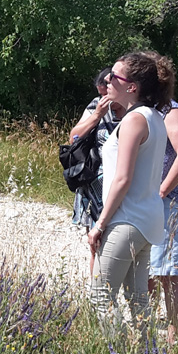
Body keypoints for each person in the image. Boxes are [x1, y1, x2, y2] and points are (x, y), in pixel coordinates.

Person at [87, 52, 174, 334]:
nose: (107, 80)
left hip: (127, 220)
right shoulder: (155, 117)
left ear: (132, 86)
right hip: (147, 221)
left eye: (115, 76)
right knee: (138, 303)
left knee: (101, 297)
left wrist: (100, 224)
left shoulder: (135, 120)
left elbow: (122, 178)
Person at [69, 67, 126, 275]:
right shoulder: (96, 105)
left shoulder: (134, 110)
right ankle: (97, 295)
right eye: (101, 93)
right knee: (96, 246)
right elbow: (73, 138)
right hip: (96, 185)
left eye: (107, 92)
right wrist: (97, 115)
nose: (104, 98)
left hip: (125, 184)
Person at [149, 98, 178, 343]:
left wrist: (162, 191)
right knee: (146, 271)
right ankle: (145, 330)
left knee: (168, 272)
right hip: (143, 202)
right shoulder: (144, 108)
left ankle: (174, 336)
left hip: (165, 202)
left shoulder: (169, 110)